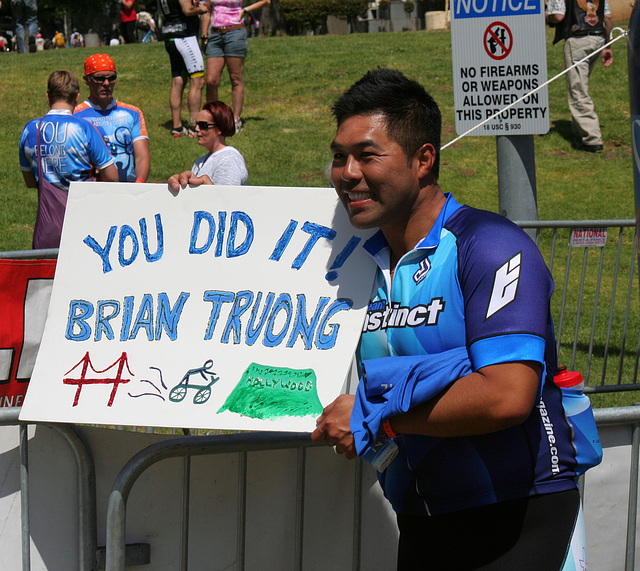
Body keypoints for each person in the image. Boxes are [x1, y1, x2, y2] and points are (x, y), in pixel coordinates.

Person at [311, 68, 585, 570]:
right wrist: (198, 200)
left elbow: (506, 395)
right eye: (338, 156)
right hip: (421, 509)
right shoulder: (354, 260)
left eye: (367, 155)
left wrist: (378, 418)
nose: (347, 173)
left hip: (516, 509)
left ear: (423, 160)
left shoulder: (490, 244)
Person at [18, 71, 118, 249]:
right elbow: (112, 177)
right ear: (77, 97)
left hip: (47, 227)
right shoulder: (85, 128)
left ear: (48, 96)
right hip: (83, 223)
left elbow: (30, 182)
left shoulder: (30, 129)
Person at [547, 0, 613, 153]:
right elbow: (607, 18)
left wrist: (546, 17)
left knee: (578, 91)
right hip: (598, 39)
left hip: (577, 40)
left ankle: (591, 139)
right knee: (581, 86)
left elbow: (558, 16)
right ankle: (579, 133)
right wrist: (607, 45)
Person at [74, 54, 150, 183]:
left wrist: (139, 183)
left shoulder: (132, 113)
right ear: (86, 80)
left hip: (129, 190)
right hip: (93, 192)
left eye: (111, 78)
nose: (106, 83)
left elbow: (142, 156)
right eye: (99, 78)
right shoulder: (75, 116)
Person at [201, 0, 271, 133]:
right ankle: (214, 118)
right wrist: (204, 34)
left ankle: (235, 119)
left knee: (235, 78)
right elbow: (207, 10)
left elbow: (266, 2)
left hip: (235, 33)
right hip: (215, 36)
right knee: (211, 81)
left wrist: (245, 10)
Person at [168, 100, 248, 190]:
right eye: (197, 124)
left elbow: (227, 199)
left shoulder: (229, 160)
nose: (197, 128)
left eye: (203, 125)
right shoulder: (200, 161)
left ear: (219, 128)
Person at [159, 0, 208, 137]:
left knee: (178, 81)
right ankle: (194, 125)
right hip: (185, 37)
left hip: (170, 36)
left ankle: (177, 127)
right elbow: (187, 10)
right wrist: (200, 8)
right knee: (197, 82)